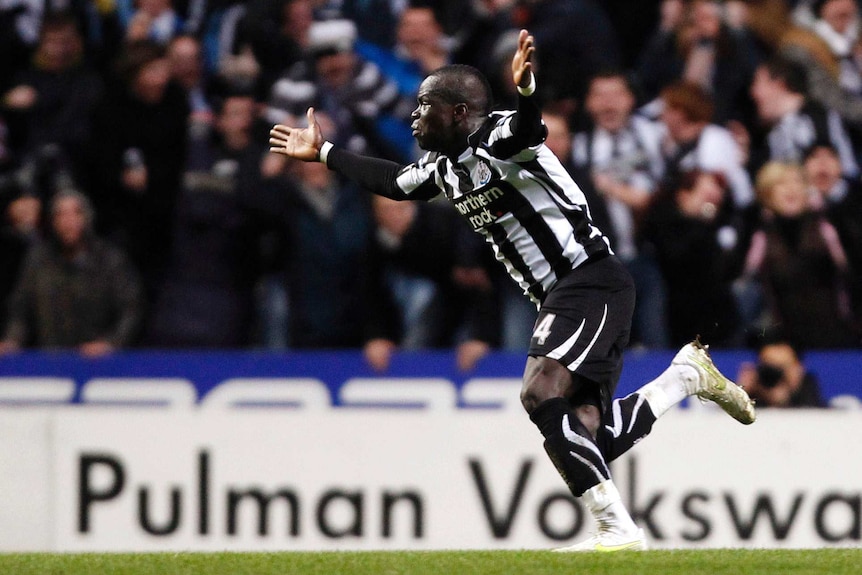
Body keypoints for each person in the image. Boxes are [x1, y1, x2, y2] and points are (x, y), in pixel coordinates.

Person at [269, 29, 758, 551]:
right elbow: (394, 182)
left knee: (538, 392)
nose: (414, 117)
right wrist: (324, 151)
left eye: (424, 105)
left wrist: (526, 91)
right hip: (563, 294)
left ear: (459, 112)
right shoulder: (444, 166)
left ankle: (618, 530)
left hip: (588, 278)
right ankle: (684, 378)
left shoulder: (498, 137)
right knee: (589, 436)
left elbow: (527, 129)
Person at [0, 188, 143, 356]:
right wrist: (12, 340)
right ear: (52, 221)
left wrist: (111, 342)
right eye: (61, 215)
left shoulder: (110, 260)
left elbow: (131, 309)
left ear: (87, 218)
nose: (68, 221)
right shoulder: (38, 261)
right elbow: (20, 310)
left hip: (97, 361)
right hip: (51, 359)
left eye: (76, 213)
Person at [737, 334, 827, 408]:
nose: (776, 374)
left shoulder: (809, 391)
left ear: (799, 368)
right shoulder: (749, 397)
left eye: (782, 367)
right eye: (769, 367)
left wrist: (785, 401)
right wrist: (739, 396)